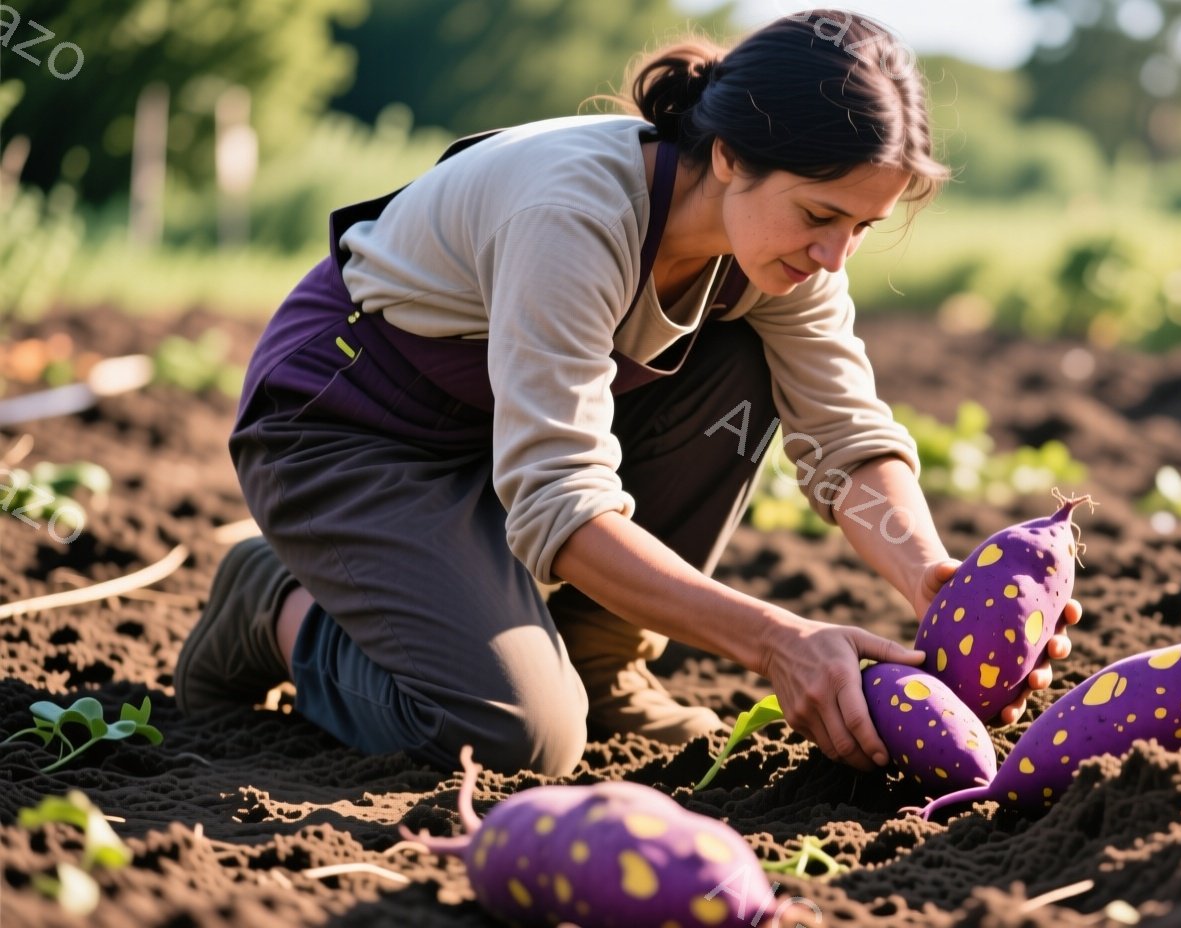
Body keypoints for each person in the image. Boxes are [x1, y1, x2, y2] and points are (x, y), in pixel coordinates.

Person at [174, 10, 1079, 779]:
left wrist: (930, 576)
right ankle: (274, 605)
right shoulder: (573, 213)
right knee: (513, 736)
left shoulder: (778, 257)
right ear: (729, 157)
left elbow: (843, 436)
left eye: (863, 226)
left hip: (495, 432)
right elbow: (557, 498)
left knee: (739, 366)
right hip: (351, 431)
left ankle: (598, 662)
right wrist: (773, 639)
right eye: (818, 215)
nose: (836, 257)